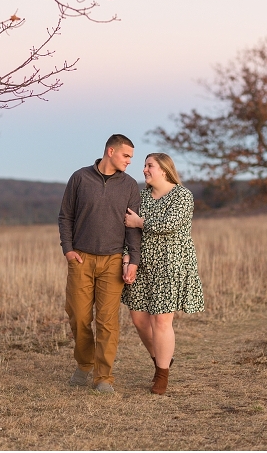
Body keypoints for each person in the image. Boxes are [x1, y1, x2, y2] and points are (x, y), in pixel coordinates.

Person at [58, 134, 141, 393]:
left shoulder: (129, 185)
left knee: (107, 321)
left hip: (113, 261)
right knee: (79, 317)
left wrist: (133, 261)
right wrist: (68, 250)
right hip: (81, 259)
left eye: (131, 157)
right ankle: (84, 365)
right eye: (126, 156)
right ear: (110, 151)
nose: (129, 161)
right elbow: (65, 216)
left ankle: (103, 377)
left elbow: (133, 228)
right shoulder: (80, 178)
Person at [121, 152, 205, 395]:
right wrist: (127, 256)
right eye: (144, 166)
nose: (144, 169)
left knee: (161, 320)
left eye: (150, 166)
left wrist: (140, 223)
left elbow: (169, 224)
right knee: (138, 319)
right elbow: (128, 230)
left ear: (165, 170)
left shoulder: (182, 195)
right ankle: (162, 358)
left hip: (171, 264)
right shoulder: (141, 197)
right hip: (142, 263)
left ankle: (161, 374)